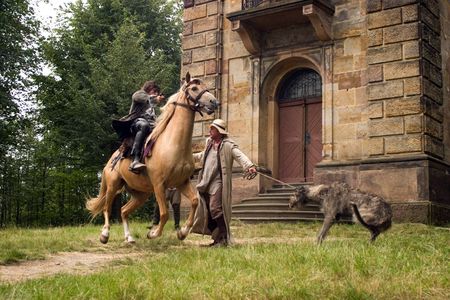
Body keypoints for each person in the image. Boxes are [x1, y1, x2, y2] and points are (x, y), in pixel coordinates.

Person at [191, 119, 257, 247]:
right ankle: (217, 239)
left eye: (212, 129)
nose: (210, 131)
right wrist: (189, 156)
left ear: (219, 131)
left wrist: (249, 165)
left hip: (218, 181)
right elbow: (203, 156)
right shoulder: (209, 143)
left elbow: (239, 155)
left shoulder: (228, 145)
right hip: (206, 181)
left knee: (215, 208)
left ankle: (225, 238)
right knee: (208, 212)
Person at [112, 81, 165, 173]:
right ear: (148, 88)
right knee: (144, 125)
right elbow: (145, 98)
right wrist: (156, 98)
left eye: (157, 92)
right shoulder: (139, 94)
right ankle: (135, 160)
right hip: (136, 122)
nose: (156, 93)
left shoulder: (151, 107)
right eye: (154, 91)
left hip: (151, 124)